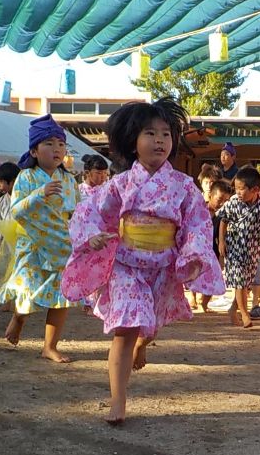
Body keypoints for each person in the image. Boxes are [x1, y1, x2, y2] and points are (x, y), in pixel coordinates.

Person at [61, 98, 224, 425]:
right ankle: (117, 400)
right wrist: (93, 235)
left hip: (163, 266)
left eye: (166, 134)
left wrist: (193, 250)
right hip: (126, 266)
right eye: (150, 133)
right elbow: (90, 212)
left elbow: (198, 223)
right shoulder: (120, 184)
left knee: (150, 326)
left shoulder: (183, 186)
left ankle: (143, 344)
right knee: (126, 328)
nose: (159, 140)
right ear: (133, 140)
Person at [3, 114, 82, 362]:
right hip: (33, 246)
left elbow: (79, 213)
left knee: (61, 298)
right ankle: (18, 318)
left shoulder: (69, 180)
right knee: (28, 289)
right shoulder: (26, 177)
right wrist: (39, 193)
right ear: (34, 151)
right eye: (49, 144)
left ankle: (49, 346)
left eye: (61, 144)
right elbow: (16, 210)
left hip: (61, 246)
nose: (57, 149)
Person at [216, 167, 260, 328]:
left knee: (246, 284)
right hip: (235, 249)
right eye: (236, 188)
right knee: (240, 282)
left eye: (241, 189)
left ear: (255, 190)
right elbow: (223, 220)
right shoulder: (233, 203)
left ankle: (233, 309)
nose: (238, 192)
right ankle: (245, 314)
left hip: (253, 251)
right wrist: (221, 241)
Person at [196, 179, 233, 313]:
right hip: (196, 248)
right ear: (210, 195)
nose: (222, 203)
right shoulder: (198, 209)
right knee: (194, 275)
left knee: (213, 277)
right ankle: (193, 298)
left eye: (226, 201)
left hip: (213, 249)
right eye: (219, 199)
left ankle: (204, 303)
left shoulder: (223, 215)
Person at [0, 162, 19, 303]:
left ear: (13, 182)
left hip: (21, 241)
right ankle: (7, 300)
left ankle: (17, 300)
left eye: (1, 182)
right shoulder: (2, 201)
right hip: (6, 243)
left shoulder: (24, 198)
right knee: (5, 269)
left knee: (18, 271)